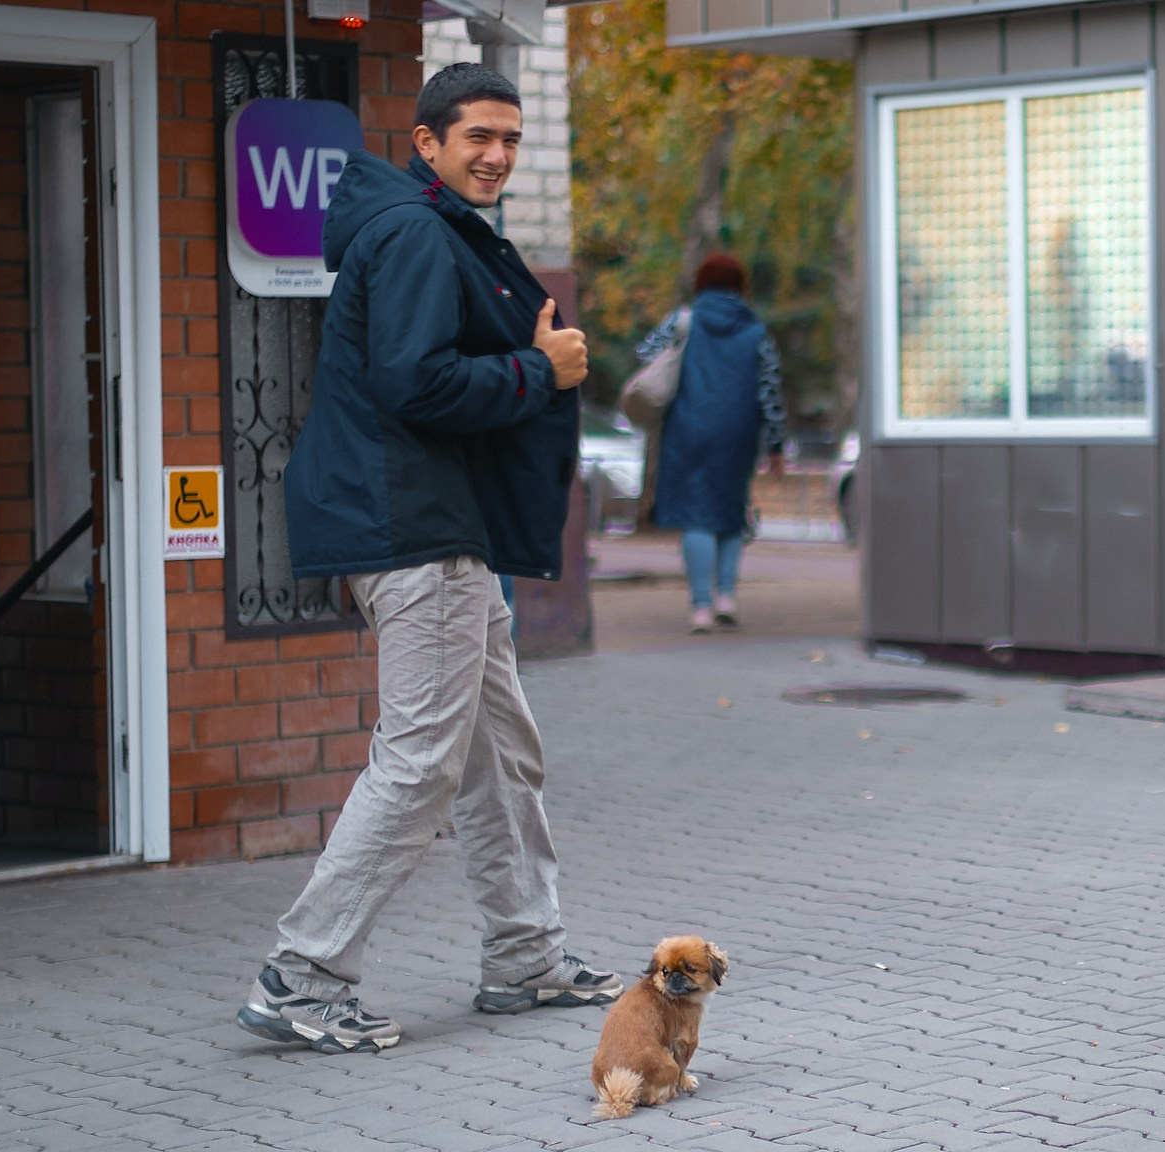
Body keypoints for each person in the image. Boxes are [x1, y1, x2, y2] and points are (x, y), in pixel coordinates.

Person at [235, 63, 622, 1056]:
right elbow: (416, 383)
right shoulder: (412, 232)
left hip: (429, 525)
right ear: (426, 143)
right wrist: (542, 370)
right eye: (475, 138)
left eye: (508, 139)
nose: (494, 155)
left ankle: (524, 955)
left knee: (501, 754)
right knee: (419, 763)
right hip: (413, 529)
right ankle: (305, 972)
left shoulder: (424, 225)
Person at [635, 254, 787, 633]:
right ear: (739, 286)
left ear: (702, 283)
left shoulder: (683, 320)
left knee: (695, 513)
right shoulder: (756, 331)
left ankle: (701, 607)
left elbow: (645, 354)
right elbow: (769, 390)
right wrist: (776, 445)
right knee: (730, 512)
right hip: (738, 433)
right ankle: (727, 598)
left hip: (687, 428)